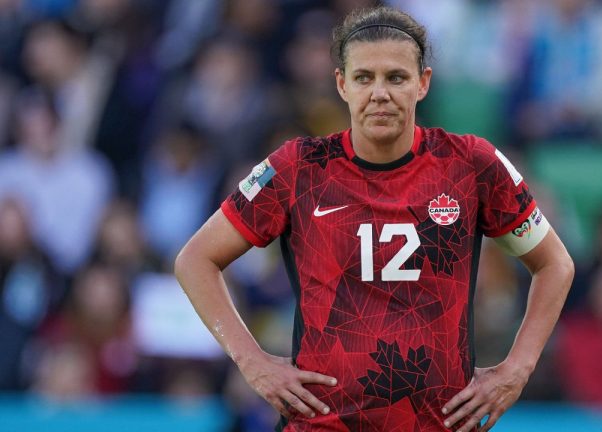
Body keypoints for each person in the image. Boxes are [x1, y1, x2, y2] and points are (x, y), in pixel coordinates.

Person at [175, 6, 573, 432]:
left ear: (423, 83)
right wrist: (252, 363)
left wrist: (517, 370)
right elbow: (195, 260)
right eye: (364, 77)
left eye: (396, 77)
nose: (379, 93)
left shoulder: (471, 164)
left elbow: (555, 263)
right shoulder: (298, 167)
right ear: (342, 84)